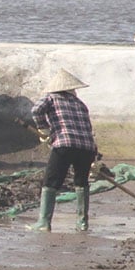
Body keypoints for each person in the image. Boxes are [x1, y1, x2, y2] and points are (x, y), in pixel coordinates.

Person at [29, 69, 98, 232]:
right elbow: (88, 128)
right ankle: (82, 223)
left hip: (64, 144)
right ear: (71, 88)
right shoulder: (81, 104)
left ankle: (44, 222)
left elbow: (36, 110)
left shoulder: (51, 98)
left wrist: (44, 129)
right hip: (87, 147)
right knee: (81, 182)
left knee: (51, 182)